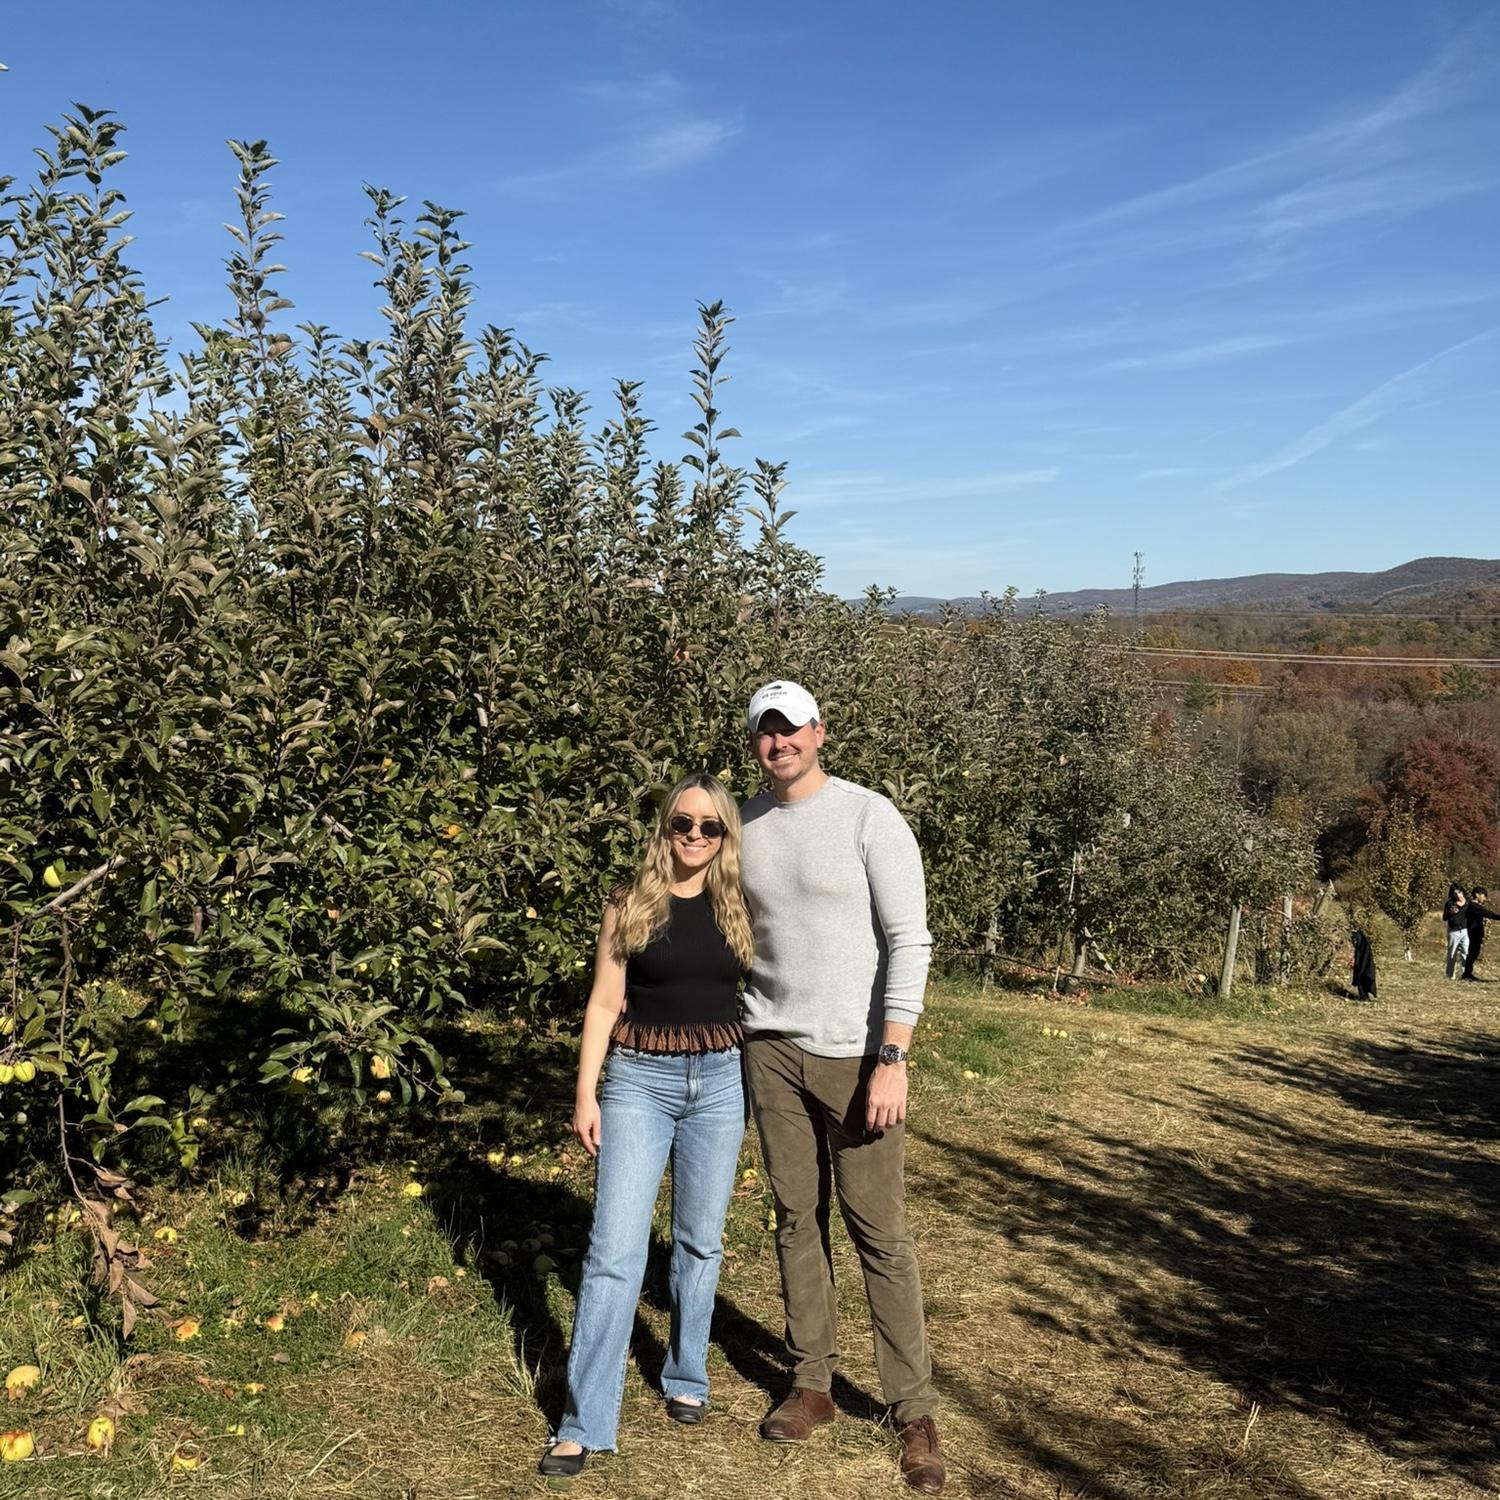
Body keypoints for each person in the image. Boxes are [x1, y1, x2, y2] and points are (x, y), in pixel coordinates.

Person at [738, 680, 945, 1495]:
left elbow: (910, 940)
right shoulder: (742, 824)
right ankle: (812, 1383)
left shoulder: (868, 816)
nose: (779, 742)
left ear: (820, 732)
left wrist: (891, 1056)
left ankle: (913, 1409)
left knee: (879, 1233)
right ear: (755, 742)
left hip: (856, 1057)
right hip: (771, 1048)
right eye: (766, 731)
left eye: (792, 729)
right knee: (795, 1218)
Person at [538, 773, 752, 1477]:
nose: (694, 835)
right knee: (613, 1251)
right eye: (682, 823)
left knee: (698, 1241)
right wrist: (585, 1093)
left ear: (725, 836)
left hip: (720, 1083)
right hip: (639, 1082)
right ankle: (584, 1421)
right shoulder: (628, 906)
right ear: (665, 828)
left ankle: (687, 1375)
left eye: (710, 826)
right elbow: (603, 1004)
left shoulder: (739, 907)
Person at [1460, 883, 1500, 980]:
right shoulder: (1474, 906)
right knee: (1473, 953)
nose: (1485, 899)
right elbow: (1488, 913)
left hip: (1475, 932)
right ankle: (1467, 974)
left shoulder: (1474, 906)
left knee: (1474, 953)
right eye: (1483, 896)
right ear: (1477, 895)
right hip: (1473, 932)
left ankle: (1467, 973)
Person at [1442, 884, 1469, 981]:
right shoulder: (1450, 904)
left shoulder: (1468, 903)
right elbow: (1444, 918)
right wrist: (1451, 913)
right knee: (1452, 954)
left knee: (1465, 953)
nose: (1459, 894)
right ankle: (1450, 976)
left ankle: (1466, 975)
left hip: (1465, 931)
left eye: (1460, 892)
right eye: (1456, 893)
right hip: (1453, 931)